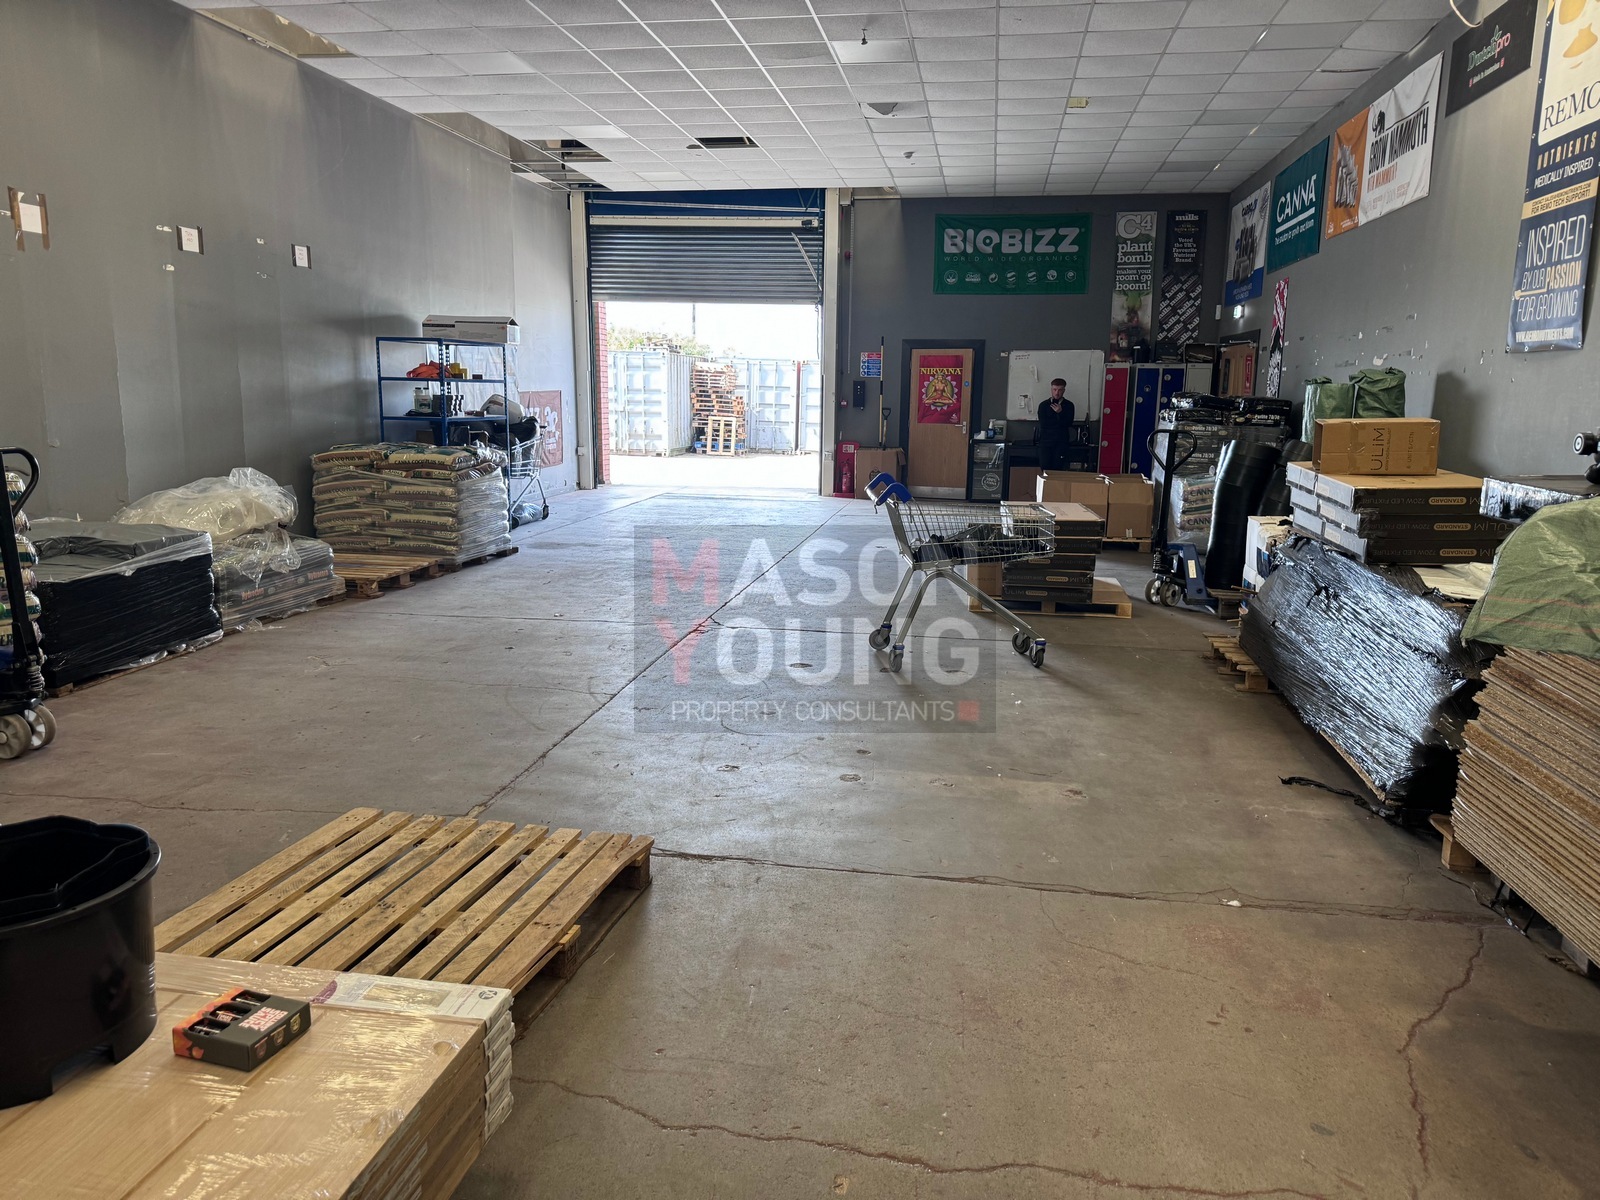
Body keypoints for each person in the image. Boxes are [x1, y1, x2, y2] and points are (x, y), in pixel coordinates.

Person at [1035, 378, 1075, 471]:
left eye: (1060, 390)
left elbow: (1068, 423)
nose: (1057, 393)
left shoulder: (1069, 405)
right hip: (1045, 443)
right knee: (1045, 469)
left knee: (1058, 470)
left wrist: (1060, 413)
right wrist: (1058, 422)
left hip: (1061, 443)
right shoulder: (1043, 405)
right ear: (1051, 389)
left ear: (1064, 390)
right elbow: (1044, 424)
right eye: (1055, 389)